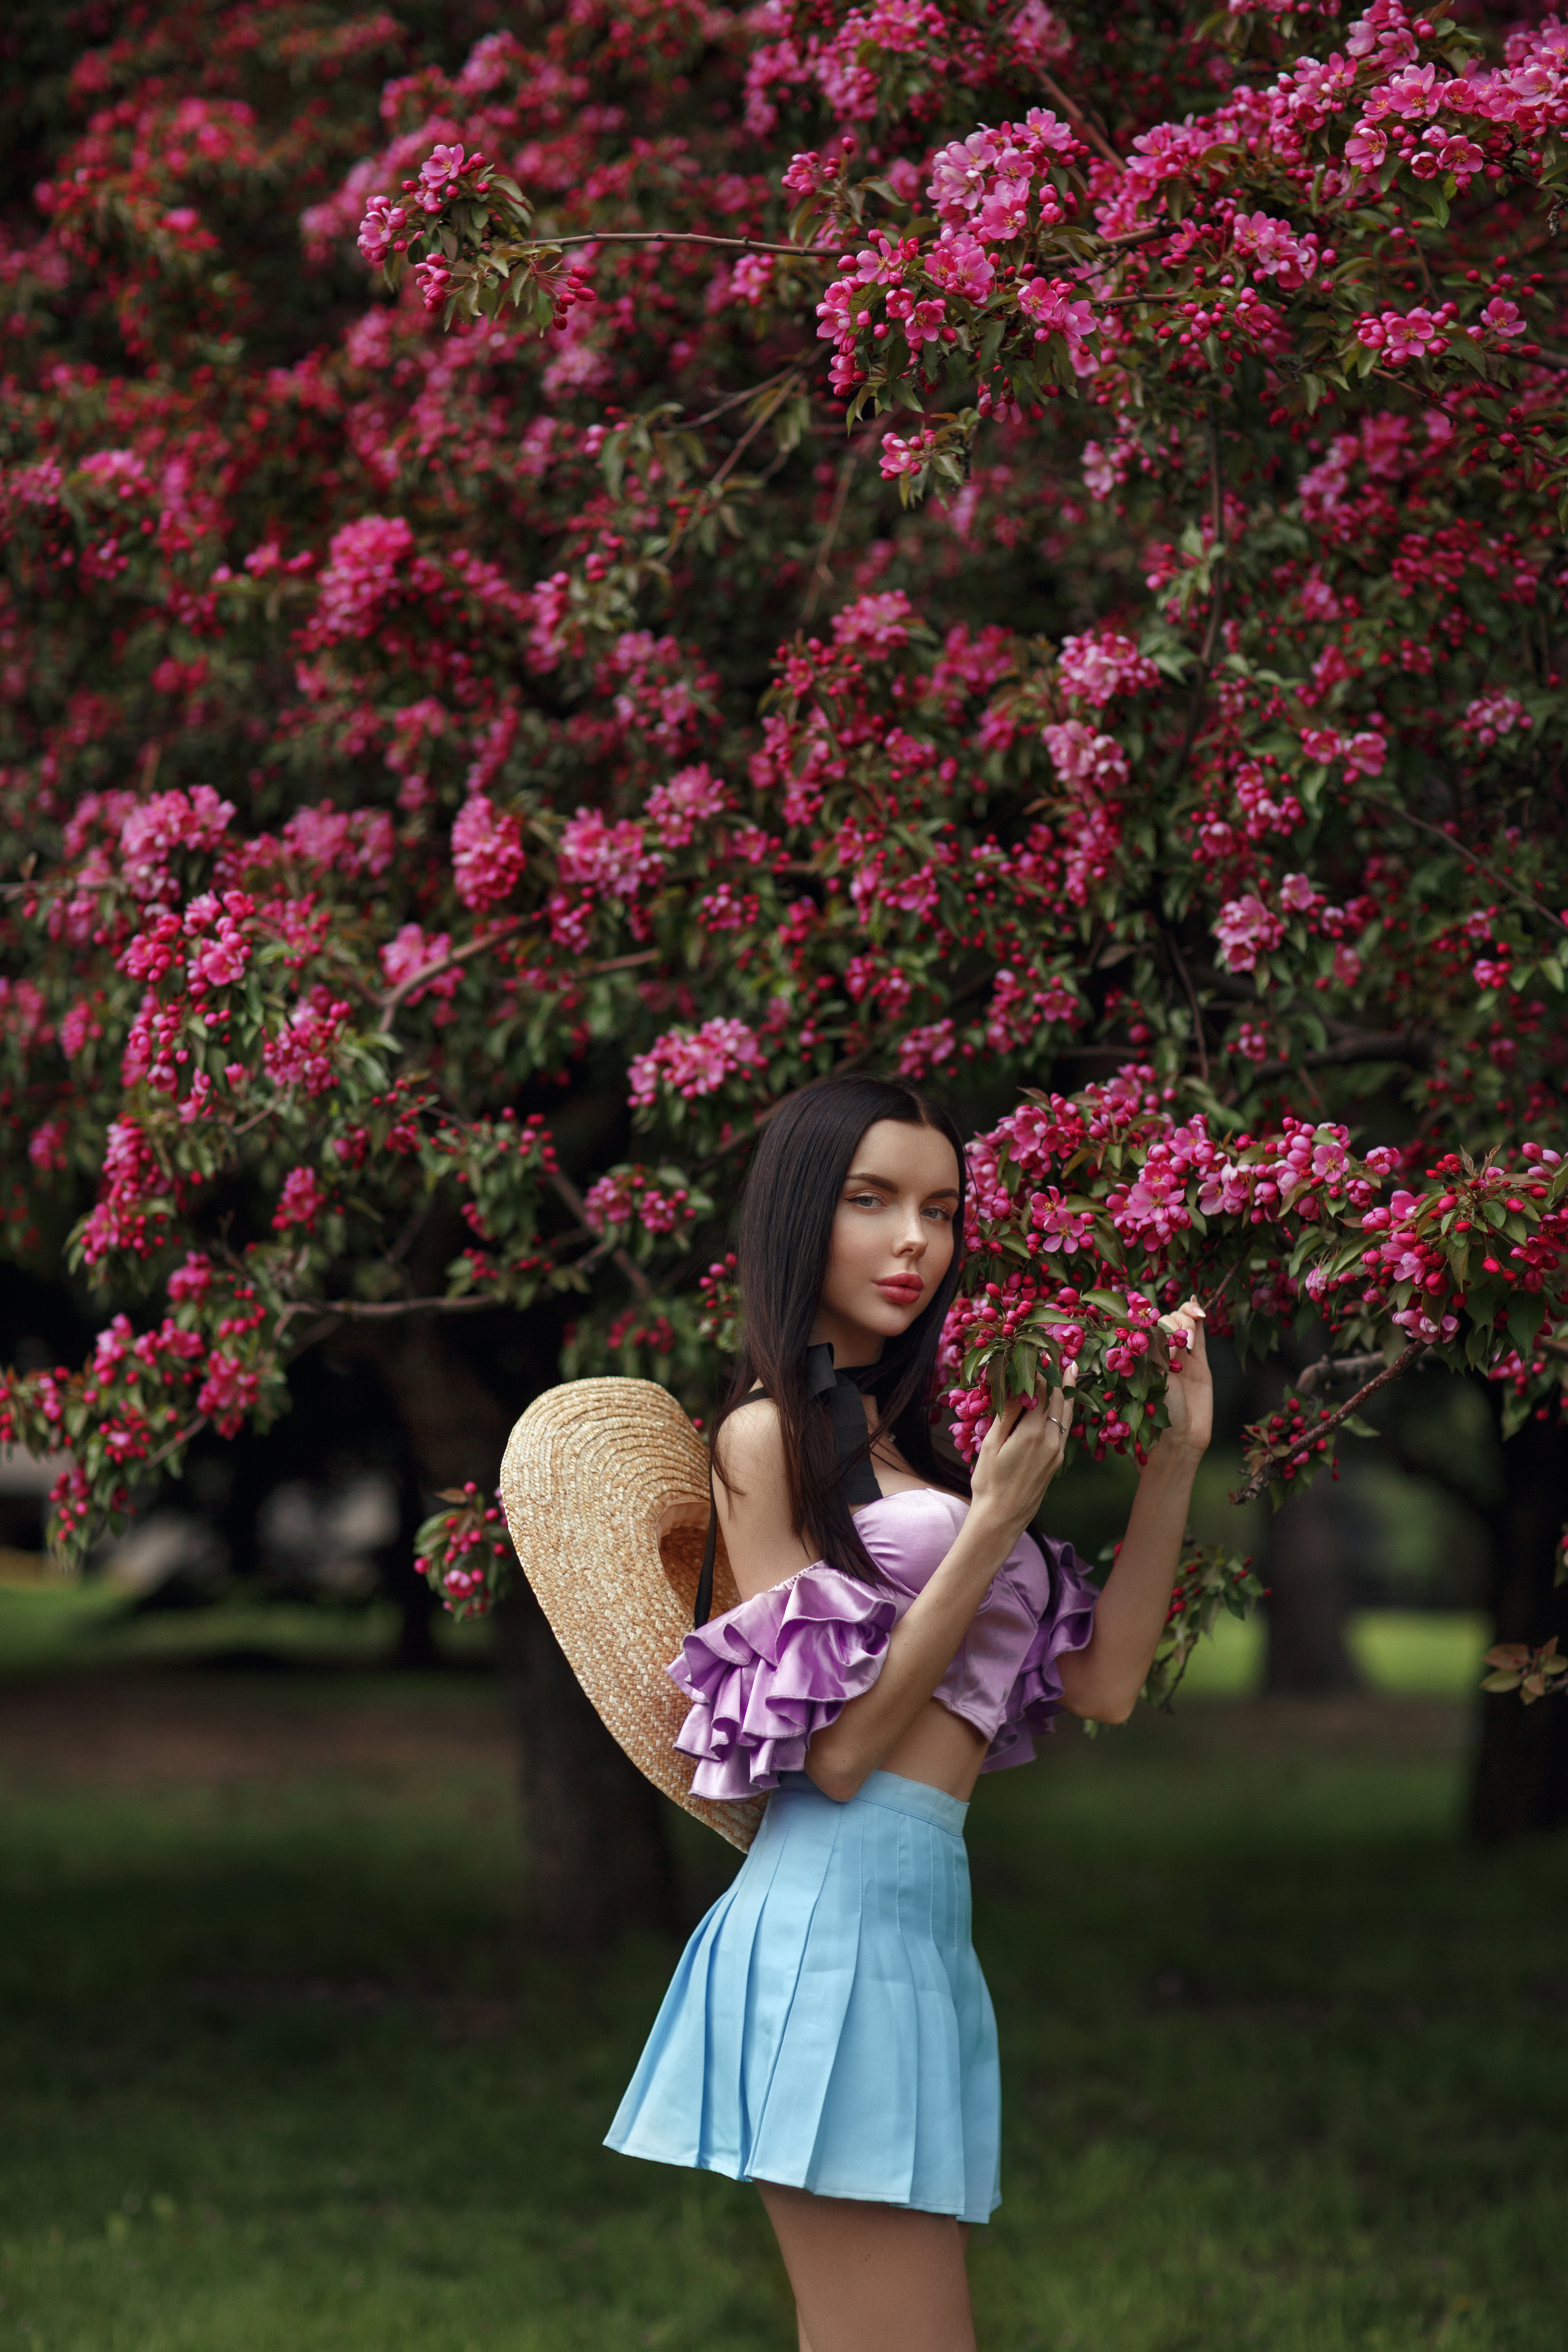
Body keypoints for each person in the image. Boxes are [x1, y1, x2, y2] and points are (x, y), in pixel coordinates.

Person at [605, 1072, 1212, 2352]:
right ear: (796, 1218)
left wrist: (1172, 1460)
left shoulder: (923, 1452)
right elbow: (831, 1760)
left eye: (938, 1210)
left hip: (917, 1929)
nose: (913, 1242)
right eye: (870, 1201)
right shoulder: (766, 1441)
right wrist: (990, 1525)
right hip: (825, 1925)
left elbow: (1101, 1684)